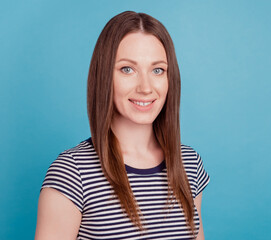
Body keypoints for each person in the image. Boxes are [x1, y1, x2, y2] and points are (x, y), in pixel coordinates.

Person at [35, 11, 210, 240]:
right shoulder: (71, 173)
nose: (146, 87)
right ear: (104, 75)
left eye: (158, 70)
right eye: (128, 69)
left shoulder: (189, 164)